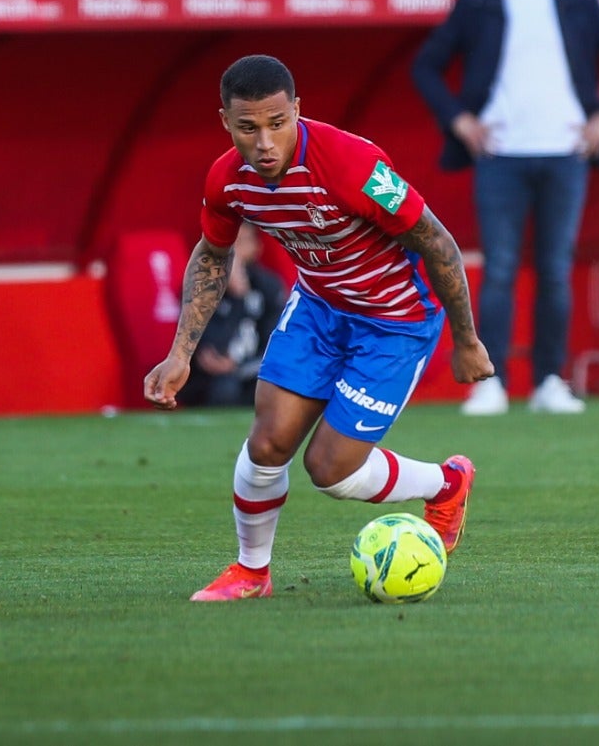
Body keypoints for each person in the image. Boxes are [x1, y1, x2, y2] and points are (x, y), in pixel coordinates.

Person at [144, 55, 495, 602]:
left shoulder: (350, 163)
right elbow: (213, 256)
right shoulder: (227, 180)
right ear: (225, 122)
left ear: (297, 112)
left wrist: (467, 339)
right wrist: (181, 353)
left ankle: (447, 483)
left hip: (392, 322)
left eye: (277, 124)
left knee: (330, 471)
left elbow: (435, 240)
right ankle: (251, 574)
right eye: (247, 127)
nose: (264, 142)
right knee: (266, 443)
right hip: (318, 310)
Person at [413, 0, 599, 417]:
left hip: (566, 154)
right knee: (498, 272)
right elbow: (426, 66)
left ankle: (549, 382)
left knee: (556, 271)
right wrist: (459, 120)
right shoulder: (479, 2)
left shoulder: (579, 0)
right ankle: (489, 384)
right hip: (500, 156)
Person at [179, 222, 288, 408]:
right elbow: (209, 348)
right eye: (231, 243)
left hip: (253, 371)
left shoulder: (268, 286)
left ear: (256, 248)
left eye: (242, 242)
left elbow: (274, 342)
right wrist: (236, 299)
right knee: (224, 388)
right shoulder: (203, 285)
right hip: (208, 377)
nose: (235, 252)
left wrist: (240, 365)